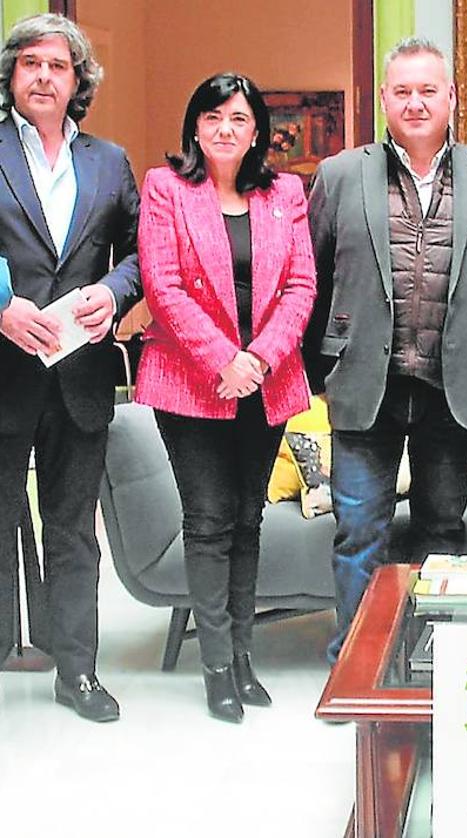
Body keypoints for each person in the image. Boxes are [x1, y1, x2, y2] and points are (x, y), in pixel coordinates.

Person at [303, 38, 467, 663]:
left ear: (453, 97)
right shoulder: (340, 175)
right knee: (358, 533)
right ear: (384, 99)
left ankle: (435, 662)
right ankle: (356, 661)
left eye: (428, 89)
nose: (415, 102)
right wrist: (317, 369)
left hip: (453, 387)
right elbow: (311, 276)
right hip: (362, 384)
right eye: (402, 90)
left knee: (442, 530)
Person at [136, 73, 316, 723]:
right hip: (189, 382)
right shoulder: (166, 190)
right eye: (213, 117)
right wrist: (224, 359)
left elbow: (300, 285)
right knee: (208, 520)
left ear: (258, 131)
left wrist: (260, 357)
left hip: (264, 383)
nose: (226, 130)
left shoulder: (285, 192)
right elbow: (163, 286)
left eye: (239, 119)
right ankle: (214, 663)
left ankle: (244, 654)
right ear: (194, 126)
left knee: (248, 518)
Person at [0, 13, 139, 722]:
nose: (44, 77)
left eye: (58, 66)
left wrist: (113, 296)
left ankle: (77, 673)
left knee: (73, 526)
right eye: (30, 64)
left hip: (80, 375)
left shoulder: (109, 162)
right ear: (12, 77)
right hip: (3, 368)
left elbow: (144, 255)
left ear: (78, 79)